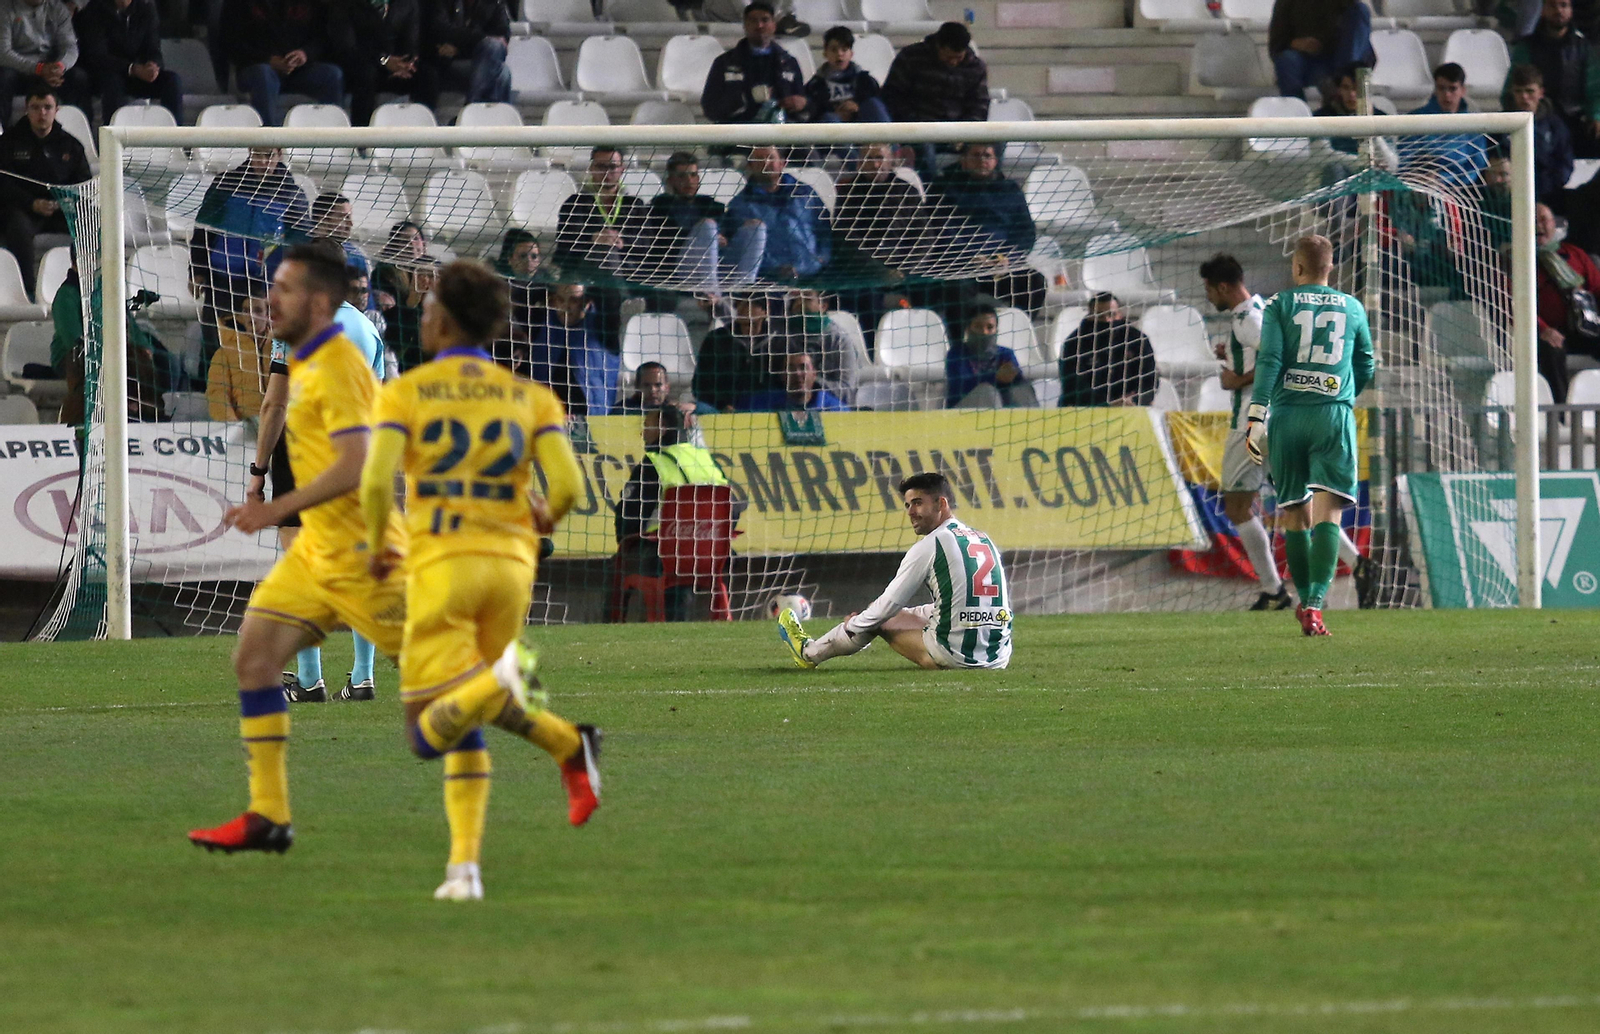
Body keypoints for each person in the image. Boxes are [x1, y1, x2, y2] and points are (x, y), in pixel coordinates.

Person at [359, 258, 601, 900]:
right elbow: (572, 486)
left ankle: (526, 702)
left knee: (422, 730)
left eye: (430, 304)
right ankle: (465, 867)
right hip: (513, 569)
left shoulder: (404, 391)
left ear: (440, 320)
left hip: (444, 568)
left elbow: (378, 481)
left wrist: (380, 546)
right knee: (469, 714)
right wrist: (546, 515)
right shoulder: (531, 397)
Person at [186, 243, 411, 855]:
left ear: (317, 296)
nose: (270, 301)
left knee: (442, 678)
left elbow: (282, 409)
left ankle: (559, 740)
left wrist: (264, 486)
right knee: (256, 656)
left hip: (337, 502)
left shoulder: (328, 352)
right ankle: (270, 811)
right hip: (340, 489)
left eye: (282, 288)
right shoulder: (363, 335)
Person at [255, 255, 390, 705]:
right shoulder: (370, 330)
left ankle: (310, 680)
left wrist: (258, 472)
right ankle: (363, 676)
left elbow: (275, 405)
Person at [1244, 234, 1376, 637]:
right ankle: (1315, 606)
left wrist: (1256, 415)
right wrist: (1345, 388)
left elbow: (1269, 360)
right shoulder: (1352, 307)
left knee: (1293, 515)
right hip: (1332, 416)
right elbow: (1367, 362)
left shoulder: (1280, 304)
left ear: (1297, 268)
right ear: (1330, 268)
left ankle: (1303, 599)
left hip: (1286, 418)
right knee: (1329, 514)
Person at [778, 471, 1012, 671]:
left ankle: (810, 653)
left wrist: (856, 625)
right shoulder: (982, 537)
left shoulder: (930, 544)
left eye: (918, 502)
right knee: (942, 607)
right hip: (998, 656)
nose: (910, 512)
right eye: (908, 505)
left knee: (877, 617)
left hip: (956, 655)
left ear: (941, 504)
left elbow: (887, 606)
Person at [1201, 254, 1293, 611]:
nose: (1209, 297)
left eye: (1209, 289)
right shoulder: (1261, 307)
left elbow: (1280, 355)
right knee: (1296, 501)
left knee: (1236, 505)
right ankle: (1358, 563)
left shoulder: (1246, 318)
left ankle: (1273, 590)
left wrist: (1237, 379)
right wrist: (1235, 360)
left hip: (1251, 425)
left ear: (1223, 286)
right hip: (1278, 419)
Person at [609, 403, 732, 622]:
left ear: (662, 427)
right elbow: (732, 508)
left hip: (663, 556)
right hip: (712, 556)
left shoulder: (654, 464)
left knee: (614, 566)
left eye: (647, 426)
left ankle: (608, 630)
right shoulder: (707, 460)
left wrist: (625, 542)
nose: (642, 433)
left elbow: (628, 517)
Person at [928, 142, 1044, 314]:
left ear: (995, 161)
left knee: (1034, 281)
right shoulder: (943, 187)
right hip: (960, 265)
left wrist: (1006, 257)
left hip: (1001, 266)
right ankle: (959, 339)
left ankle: (1021, 333)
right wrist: (970, 257)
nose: (982, 160)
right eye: (976, 155)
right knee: (955, 289)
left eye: (987, 155)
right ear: (964, 160)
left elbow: (1025, 232)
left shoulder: (1010, 190)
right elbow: (941, 230)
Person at [0, 87, 90, 300]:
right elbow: (3, 184)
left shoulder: (71, 145)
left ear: (56, 110)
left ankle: (85, 284)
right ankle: (27, 291)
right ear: (26, 110)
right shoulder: (8, 142)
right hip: (23, 209)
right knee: (17, 225)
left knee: (91, 219)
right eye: (35, 108)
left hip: (60, 209)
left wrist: (61, 202)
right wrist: (32, 203)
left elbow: (83, 184)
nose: (42, 113)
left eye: (47, 107)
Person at [190, 147, 309, 306]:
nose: (262, 161)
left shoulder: (292, 195)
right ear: (250, 152)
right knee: (218, 330)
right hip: (221, 281)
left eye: (268, 155)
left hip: (267, 287)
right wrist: (197, 270)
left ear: (279, 155)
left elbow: (300, 244)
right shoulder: (226, 184)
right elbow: (203, 230)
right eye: (257, 154)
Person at [881, 22, 988, 179]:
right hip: (919, 129)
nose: (953, 62)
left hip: (959, 131)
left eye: (958, 58)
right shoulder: (911, 58)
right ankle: (932, 193)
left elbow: (979, 104)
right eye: (948, 57)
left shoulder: (975, 67)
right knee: (923, 148)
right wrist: (915, 123)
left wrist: (966, 131)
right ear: (939, 45)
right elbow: (893, 95)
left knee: (993, 146)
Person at [648, 150, 766, 292]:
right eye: (681, 176)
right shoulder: (660, 206)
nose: (689, 181)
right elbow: (667, 244)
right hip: (683, 269)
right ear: (670, 180)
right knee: (708, 226)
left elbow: (730, 226)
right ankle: (712, 296)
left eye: (693, 175)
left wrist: (727, 234)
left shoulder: (709, 204)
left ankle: (745, 291)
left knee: (756, 227)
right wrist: (709, 236)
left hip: (718, 263)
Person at [220, 0, 344, 127]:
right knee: (264, 74)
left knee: (332, 74)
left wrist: (305, 54)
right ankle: (269, 140)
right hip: (255, 68)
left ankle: (334, 138)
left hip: (297, 70)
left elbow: (322, 38)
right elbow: (231, 44)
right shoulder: (239, 4)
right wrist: (268, 60)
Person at [1505, 0, 1600, 158]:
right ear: (1542, 10)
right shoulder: (1526, 47)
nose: (1559, 10)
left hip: (1575, 121)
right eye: (1552, 5)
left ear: (1570, 10)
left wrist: (1596, 116)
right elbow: (1510, 90)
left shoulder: (1583, 48)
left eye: (1564, 5)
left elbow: (1595, 88)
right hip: (1537, 121)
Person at [724, 145, 831, 282]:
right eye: (759, 159)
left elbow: (824, 228)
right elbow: (743, 250)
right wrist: (774, 269)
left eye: (770, 157)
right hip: (767, 281)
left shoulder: (805, 193)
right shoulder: (740, 205)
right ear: (750, 166)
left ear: (782, 163)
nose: (765, 163)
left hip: (813, 274)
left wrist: (822, 258)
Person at [330, 0, 438, 129]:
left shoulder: (407, 4)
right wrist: (384, 61)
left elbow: (411, 43)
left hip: (395, 67)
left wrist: (405, 64)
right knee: (366, 75)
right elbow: (347, 49)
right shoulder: (345, 5)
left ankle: (424, 134)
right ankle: (361, 138)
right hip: (360, 65)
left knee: (427, 75)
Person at [71, 0, 182, 122]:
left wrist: (153, 65)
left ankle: (176, 136)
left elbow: (154, 47)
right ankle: (112, 136)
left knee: (172, 81)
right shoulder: (95, 9)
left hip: (137, 73)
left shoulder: (146, 8)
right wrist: (132, 68)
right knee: (112, 83)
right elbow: (97, 56)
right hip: (105, 73)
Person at [1533, 201, 1600, 401]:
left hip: (1583, 327)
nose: (1539, 226)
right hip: (1544, 332)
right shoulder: (1514, 259)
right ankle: (1560, 416)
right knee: (1552, 350)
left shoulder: (1574, 254)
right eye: (1533, 221)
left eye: (1544, 220)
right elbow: (1511, 303)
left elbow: (1597, 288)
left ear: (1554, 224)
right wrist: (1543, 329)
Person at [701, 1, 807, 124]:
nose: (760, 25)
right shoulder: (724, 63)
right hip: (737, 133)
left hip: (779, 134)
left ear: (774, 25)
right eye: (753, 20)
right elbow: (710, 109)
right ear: (745, 26)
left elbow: (803, 104)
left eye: (765, 20)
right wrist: (746, 98)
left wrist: (802, 104)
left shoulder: (789, 63)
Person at [525, 283, 620, 417]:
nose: (566, 306)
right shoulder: (539, 325)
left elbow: (612, 295)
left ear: (586, 302)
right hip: (545, 415)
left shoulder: (603, 329)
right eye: (560, 299)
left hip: (591, 420)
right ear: (552, 300)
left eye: (574, 300)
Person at [1058, 293, 1159, 407]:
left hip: (1129, 408)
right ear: (1090, 315)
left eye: (1111, 314)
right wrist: (1107, 404)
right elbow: (1072, 387)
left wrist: (1135, 399)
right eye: (1100, 316)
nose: (1107, 320)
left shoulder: (1137, 339)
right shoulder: (1074, 343)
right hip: (1087, 410)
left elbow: (1150, 381)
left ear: (1119, 314)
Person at [1399, 63, 1490, 186]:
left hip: (1461, 191)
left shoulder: (1473, 126)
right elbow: (1403, 159)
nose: (1447, 95)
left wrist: (1444, 179)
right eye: (1442, 88)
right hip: (1418, 188)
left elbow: (1476, 166)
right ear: (1435, 90)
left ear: (1463, 90)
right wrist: (1419, 178)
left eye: (1452, 89)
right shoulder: (1414, 120)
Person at [1267, 0, 1374, 101]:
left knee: (1360, 10)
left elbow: (1357, 32)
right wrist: (1296, 43)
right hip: (1307, 64)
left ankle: (1343, 82)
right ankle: (1298, 113)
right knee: (1286, 60)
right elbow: (1276, 46)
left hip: (1340, 61)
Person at [693, 293, 783, 411]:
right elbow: (699, 385)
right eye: (744, 324)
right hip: (722, 408)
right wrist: (722, 405)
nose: (748, 329)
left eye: (754, 324)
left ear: (765, 312)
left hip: (767, 407)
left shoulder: (779, 342)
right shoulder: (717, 339)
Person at [0, 0, 80, 122]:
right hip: (18, 67)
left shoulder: (58, 9)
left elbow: (70, 47)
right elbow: (3, 53)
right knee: (4, 78)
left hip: (50, 67)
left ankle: (75, 130)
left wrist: (59, 66)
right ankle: (3, 132)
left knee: (78, 78)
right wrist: (38, 68)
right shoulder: (5, 8)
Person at [1507, 64, 1575, 203]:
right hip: (1510, 197)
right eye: (1519, 91)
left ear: (1541, 93)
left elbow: (1565, 164)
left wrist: (1545, 191)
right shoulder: (1501, 125)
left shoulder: (1555, 126)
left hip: (1549, 196)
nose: (1524, 97)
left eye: (1530, 91)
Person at [421, 0, 510, 107]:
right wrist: (481, 39)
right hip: (445, 64)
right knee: (502, 73)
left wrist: (459, 50)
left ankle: (472, 106)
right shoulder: (443, 3)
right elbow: (441, 30)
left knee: (501, 68)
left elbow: (501, 42)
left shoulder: (493, 5)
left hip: (475, 64)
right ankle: (476, 113)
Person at [206, 282, 274, 420]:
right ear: (240, 317)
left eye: (258, 310)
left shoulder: (284, 348)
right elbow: (217, 395)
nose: (251, 316)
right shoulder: (225, 353)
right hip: (243, 430)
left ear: (268, 315)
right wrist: (234, 427)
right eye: (246, 311)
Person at [945, 304, 1033, 409]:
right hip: (963, 411)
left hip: (1001, 407)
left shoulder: (1005, 354)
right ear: (968, 329)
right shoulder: (956, 354)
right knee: (987, 391)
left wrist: (1013, 375)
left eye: (989, 327)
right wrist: (995, 377)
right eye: (978, 327)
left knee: (1021, 388)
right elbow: (961, 386)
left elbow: (1017, 380)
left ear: (996, 330)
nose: (984, 332)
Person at [804, 27, 888, 125]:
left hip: (862, 125)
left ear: (851, 54)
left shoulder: (866, 81)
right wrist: (837, 113)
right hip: (833, 127)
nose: (839, 54)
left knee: (874, 104)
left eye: (844, 50)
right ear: (825, 53)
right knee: (830, 119)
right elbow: (812, 115)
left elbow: (876, 106)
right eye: (834, 50)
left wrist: (857, 108)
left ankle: (885, 139)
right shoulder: (815, 85)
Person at [741, 351, 847, 411]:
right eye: (790, 369)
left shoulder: (834, 408)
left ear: (814, 374)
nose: (797, 373)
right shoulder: (762, 402)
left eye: (803, 368)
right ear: (783, 376)